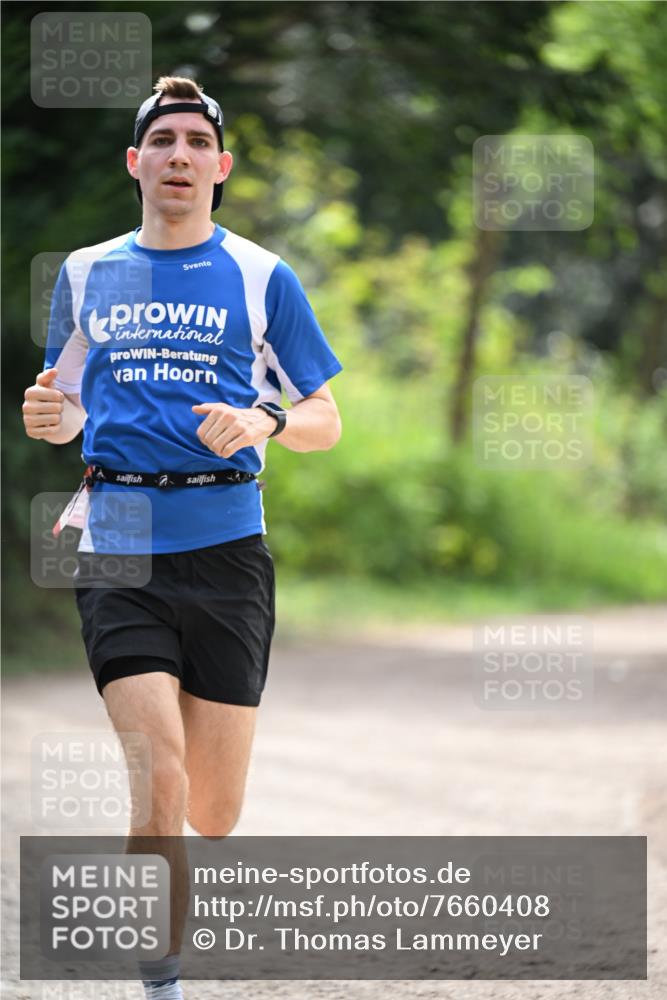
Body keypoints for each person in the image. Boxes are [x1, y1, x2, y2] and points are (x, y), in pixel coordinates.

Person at [22, 76, 342, 999]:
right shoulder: (86, 274)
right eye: (163, 140)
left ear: (221, 166)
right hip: (117, 533)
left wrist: (267, 421)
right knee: (157, 775)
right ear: (135, 162)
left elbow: (324, 418)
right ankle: (161, 980)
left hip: (228, 544)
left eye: (197, 143)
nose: (179, 156)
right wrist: (49, 417)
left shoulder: (262, 276)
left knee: (213, 810)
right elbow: (64, 407)